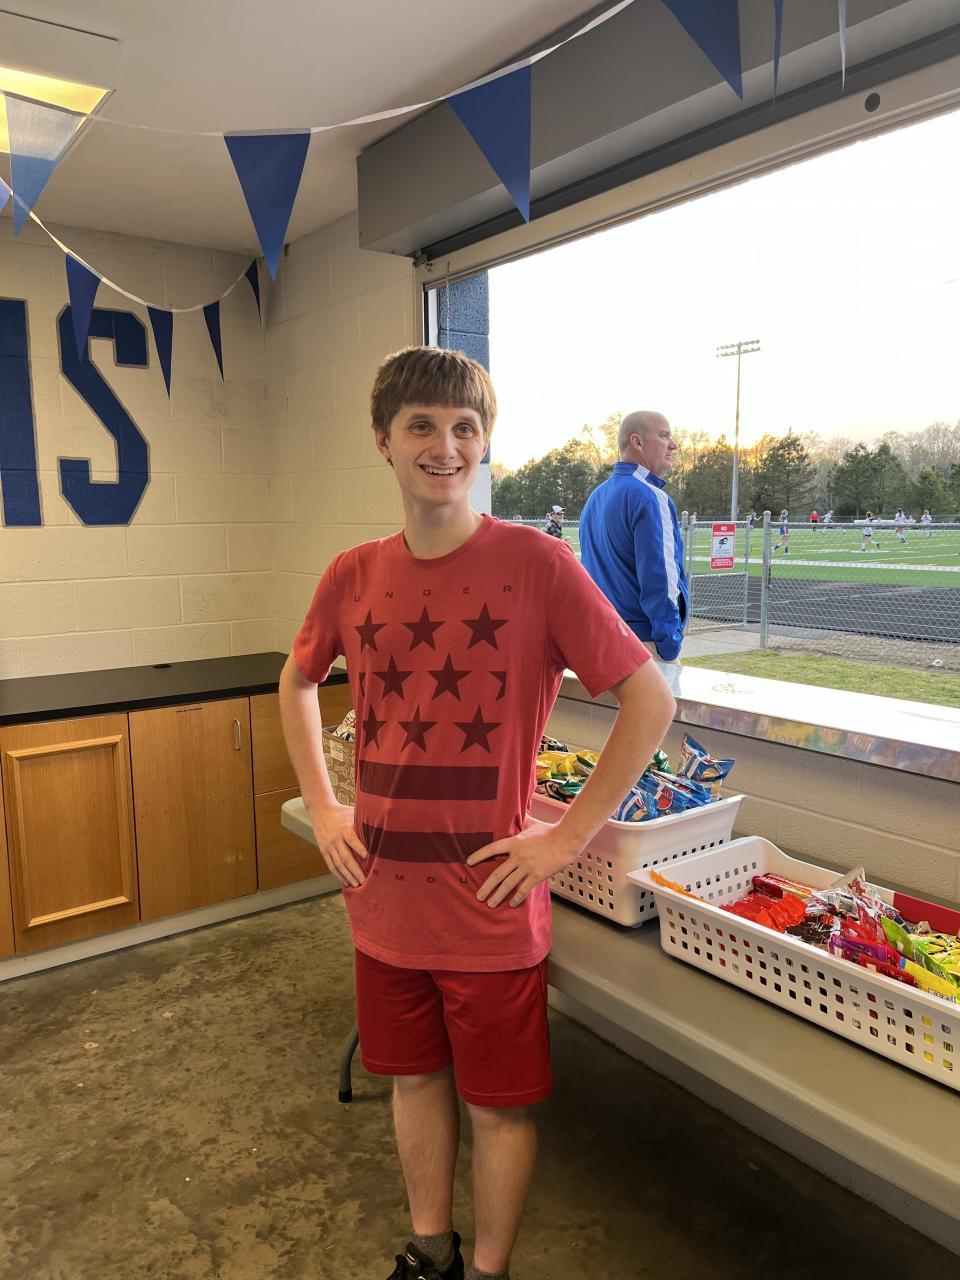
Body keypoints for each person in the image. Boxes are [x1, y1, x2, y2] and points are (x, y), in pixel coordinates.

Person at [278, 347, 675, 1280]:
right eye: (421, 425)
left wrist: (566, 838)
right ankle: (432, 1254)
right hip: (383, 899)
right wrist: (326, 806)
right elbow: (295, 681)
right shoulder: (352, 575)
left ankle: (488, 1270)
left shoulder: (536, 565)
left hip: (489, 905)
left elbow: (649, 700)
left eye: (465, 428)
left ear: (485, 442)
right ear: (384, 441)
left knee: (498, 1107)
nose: (445, 445)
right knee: (414, 1080)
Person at [578, 410, 688, 663]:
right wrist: (669, 643)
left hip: (603, 637)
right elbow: (660, 579)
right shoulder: (650, 497)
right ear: (637, 442)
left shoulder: (595, 498)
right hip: (644, 642)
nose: (673, 445)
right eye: (664, 436)